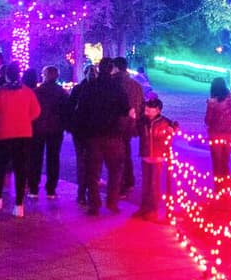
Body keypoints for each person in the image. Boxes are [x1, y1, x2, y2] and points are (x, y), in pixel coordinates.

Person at [71, 58, 129, 215]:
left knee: (93, 172)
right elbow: (125, 109)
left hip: (94, 135)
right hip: (113, 135)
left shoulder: (90, 87)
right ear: (111, 70)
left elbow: (81, 111)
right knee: (115, 171)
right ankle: (112, 202)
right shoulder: (117, 88)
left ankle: (94, 204)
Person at [0, 65, 41, 217]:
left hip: (3, 134)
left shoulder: (1, 92)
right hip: (23, 134)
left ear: (6, 76)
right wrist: (24, 119)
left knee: (1, 167)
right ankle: (19, 205)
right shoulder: (28, 92)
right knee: (21, 169)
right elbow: (36, 111)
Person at [134, 97, 178, 221]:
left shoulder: (164, 122)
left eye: (149, 110)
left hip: (158, 157)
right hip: (146, 156)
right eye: (146, 109)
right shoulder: (142, 121)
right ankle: (144, 207)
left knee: (154, 185)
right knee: (146, 184)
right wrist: (132, 120)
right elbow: (134, 132)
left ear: (157, 110)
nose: (146, 111)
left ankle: (152, 209)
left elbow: (175, 126)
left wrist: (174, 128)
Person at [29, 65, 68, 199]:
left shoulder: (37, 92)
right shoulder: (62, 93)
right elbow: (65, 111)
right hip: (56, 129)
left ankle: (34, 188)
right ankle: (51, 189)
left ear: (44, 75)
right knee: (53, 158)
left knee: (36, 158)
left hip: (38, 128)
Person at [68, 63, 98, 205]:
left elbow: (70, 108)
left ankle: (82, 193)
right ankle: (89, 192)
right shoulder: (98, 90)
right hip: (92, 130)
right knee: (93, 162)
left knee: (82, 161)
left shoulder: (79, 89)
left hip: (81, 130)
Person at [113, 57, 144, 196]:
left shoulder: (114, 83)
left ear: (116, 68)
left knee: (117, 156)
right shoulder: (135, 85)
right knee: (126, 152)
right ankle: (129, 180)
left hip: (116, 123)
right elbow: (141, 105)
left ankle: (121, 185)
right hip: (131, 124)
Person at [204, 77, 231, 187]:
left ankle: (218, 188)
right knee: (225, 162)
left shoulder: (212, 102)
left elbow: (208, 120)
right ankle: (226, 186)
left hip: (216, 135)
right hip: (229, 135)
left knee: (217, 163)